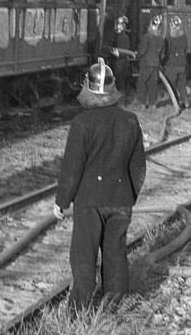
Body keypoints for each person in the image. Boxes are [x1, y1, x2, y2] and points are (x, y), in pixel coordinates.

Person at [54, 58, 146, 311]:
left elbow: (72, 170)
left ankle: (79, 311)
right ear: (113, 89)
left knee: (84, 255)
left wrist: (62, 201)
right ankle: (116, 304)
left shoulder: (82, 124)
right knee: (115, 252)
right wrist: (129, 195)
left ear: (88, 89)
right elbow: (138, 167)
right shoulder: (130, 121)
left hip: (89, 201)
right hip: (121, 200)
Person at [134, 14, 165, 108]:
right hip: (156, 64)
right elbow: (162, 54)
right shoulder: (161, 39)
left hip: (146, 64)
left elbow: (142, 51)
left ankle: (142, 103)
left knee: (142, 83)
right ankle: (153, 103)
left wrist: (137, 55)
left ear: (151, 25)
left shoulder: (147, 37)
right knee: (153, 84)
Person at [163, 16, 188, 109]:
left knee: (172, 84)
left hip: (171, 65)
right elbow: (184, 49)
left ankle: (176, 103)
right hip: (182, 64)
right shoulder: (184, 37)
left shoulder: (169, 38)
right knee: (182, 84)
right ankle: (186, 102)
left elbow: (166, 51)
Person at [108, 16, 133, 102]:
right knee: (119, 80)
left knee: (120, 80)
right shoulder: (119, 36)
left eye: (120, 24)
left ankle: (121, 100)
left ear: (123, 26)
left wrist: (117, 53)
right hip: (119, 61)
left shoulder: (124, 37)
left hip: (121, 62)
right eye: (118, 24)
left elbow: (125, 50)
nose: (118, 26)